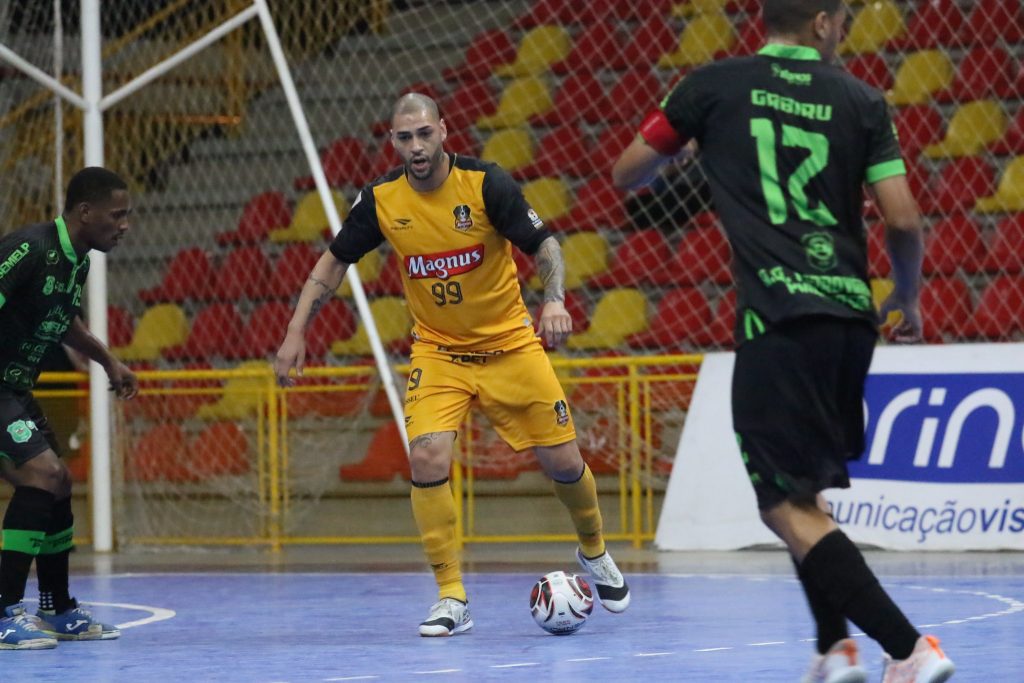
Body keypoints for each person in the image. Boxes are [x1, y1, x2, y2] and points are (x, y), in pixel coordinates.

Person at [612, 2, 955, 682]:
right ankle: (835, 650)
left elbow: (628, 175)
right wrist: (907, 298)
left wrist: (683, 152)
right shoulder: (863, 100)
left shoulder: (710, 87)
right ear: (823, 23)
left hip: (777, 316)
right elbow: (905, 219)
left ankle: (910, 647)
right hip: (851, 321)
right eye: (844, 20)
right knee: (806, 499)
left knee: (781, 506)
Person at [275, 93, 630, 637]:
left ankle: (594, 549)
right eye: (404, 138)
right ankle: (451, 596)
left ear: (444, 130)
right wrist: (297, 329)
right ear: (393, 142)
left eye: (424, 134)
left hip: (511, 344)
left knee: (563, 461)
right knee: (426, 456)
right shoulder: (381, 200)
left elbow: (545, 244)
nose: (415, 147)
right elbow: (334, 260)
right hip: (439, 353)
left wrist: (554, 299)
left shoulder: (486, 184)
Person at [0, 166, 138, 649]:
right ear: (85, 212)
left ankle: (56, 608)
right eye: (117, 215)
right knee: (42, 475)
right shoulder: (29, 248)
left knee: (59, 483)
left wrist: (108, 361)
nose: (125, 225)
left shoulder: (76, 260)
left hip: (14, 390)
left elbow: (63, 320)